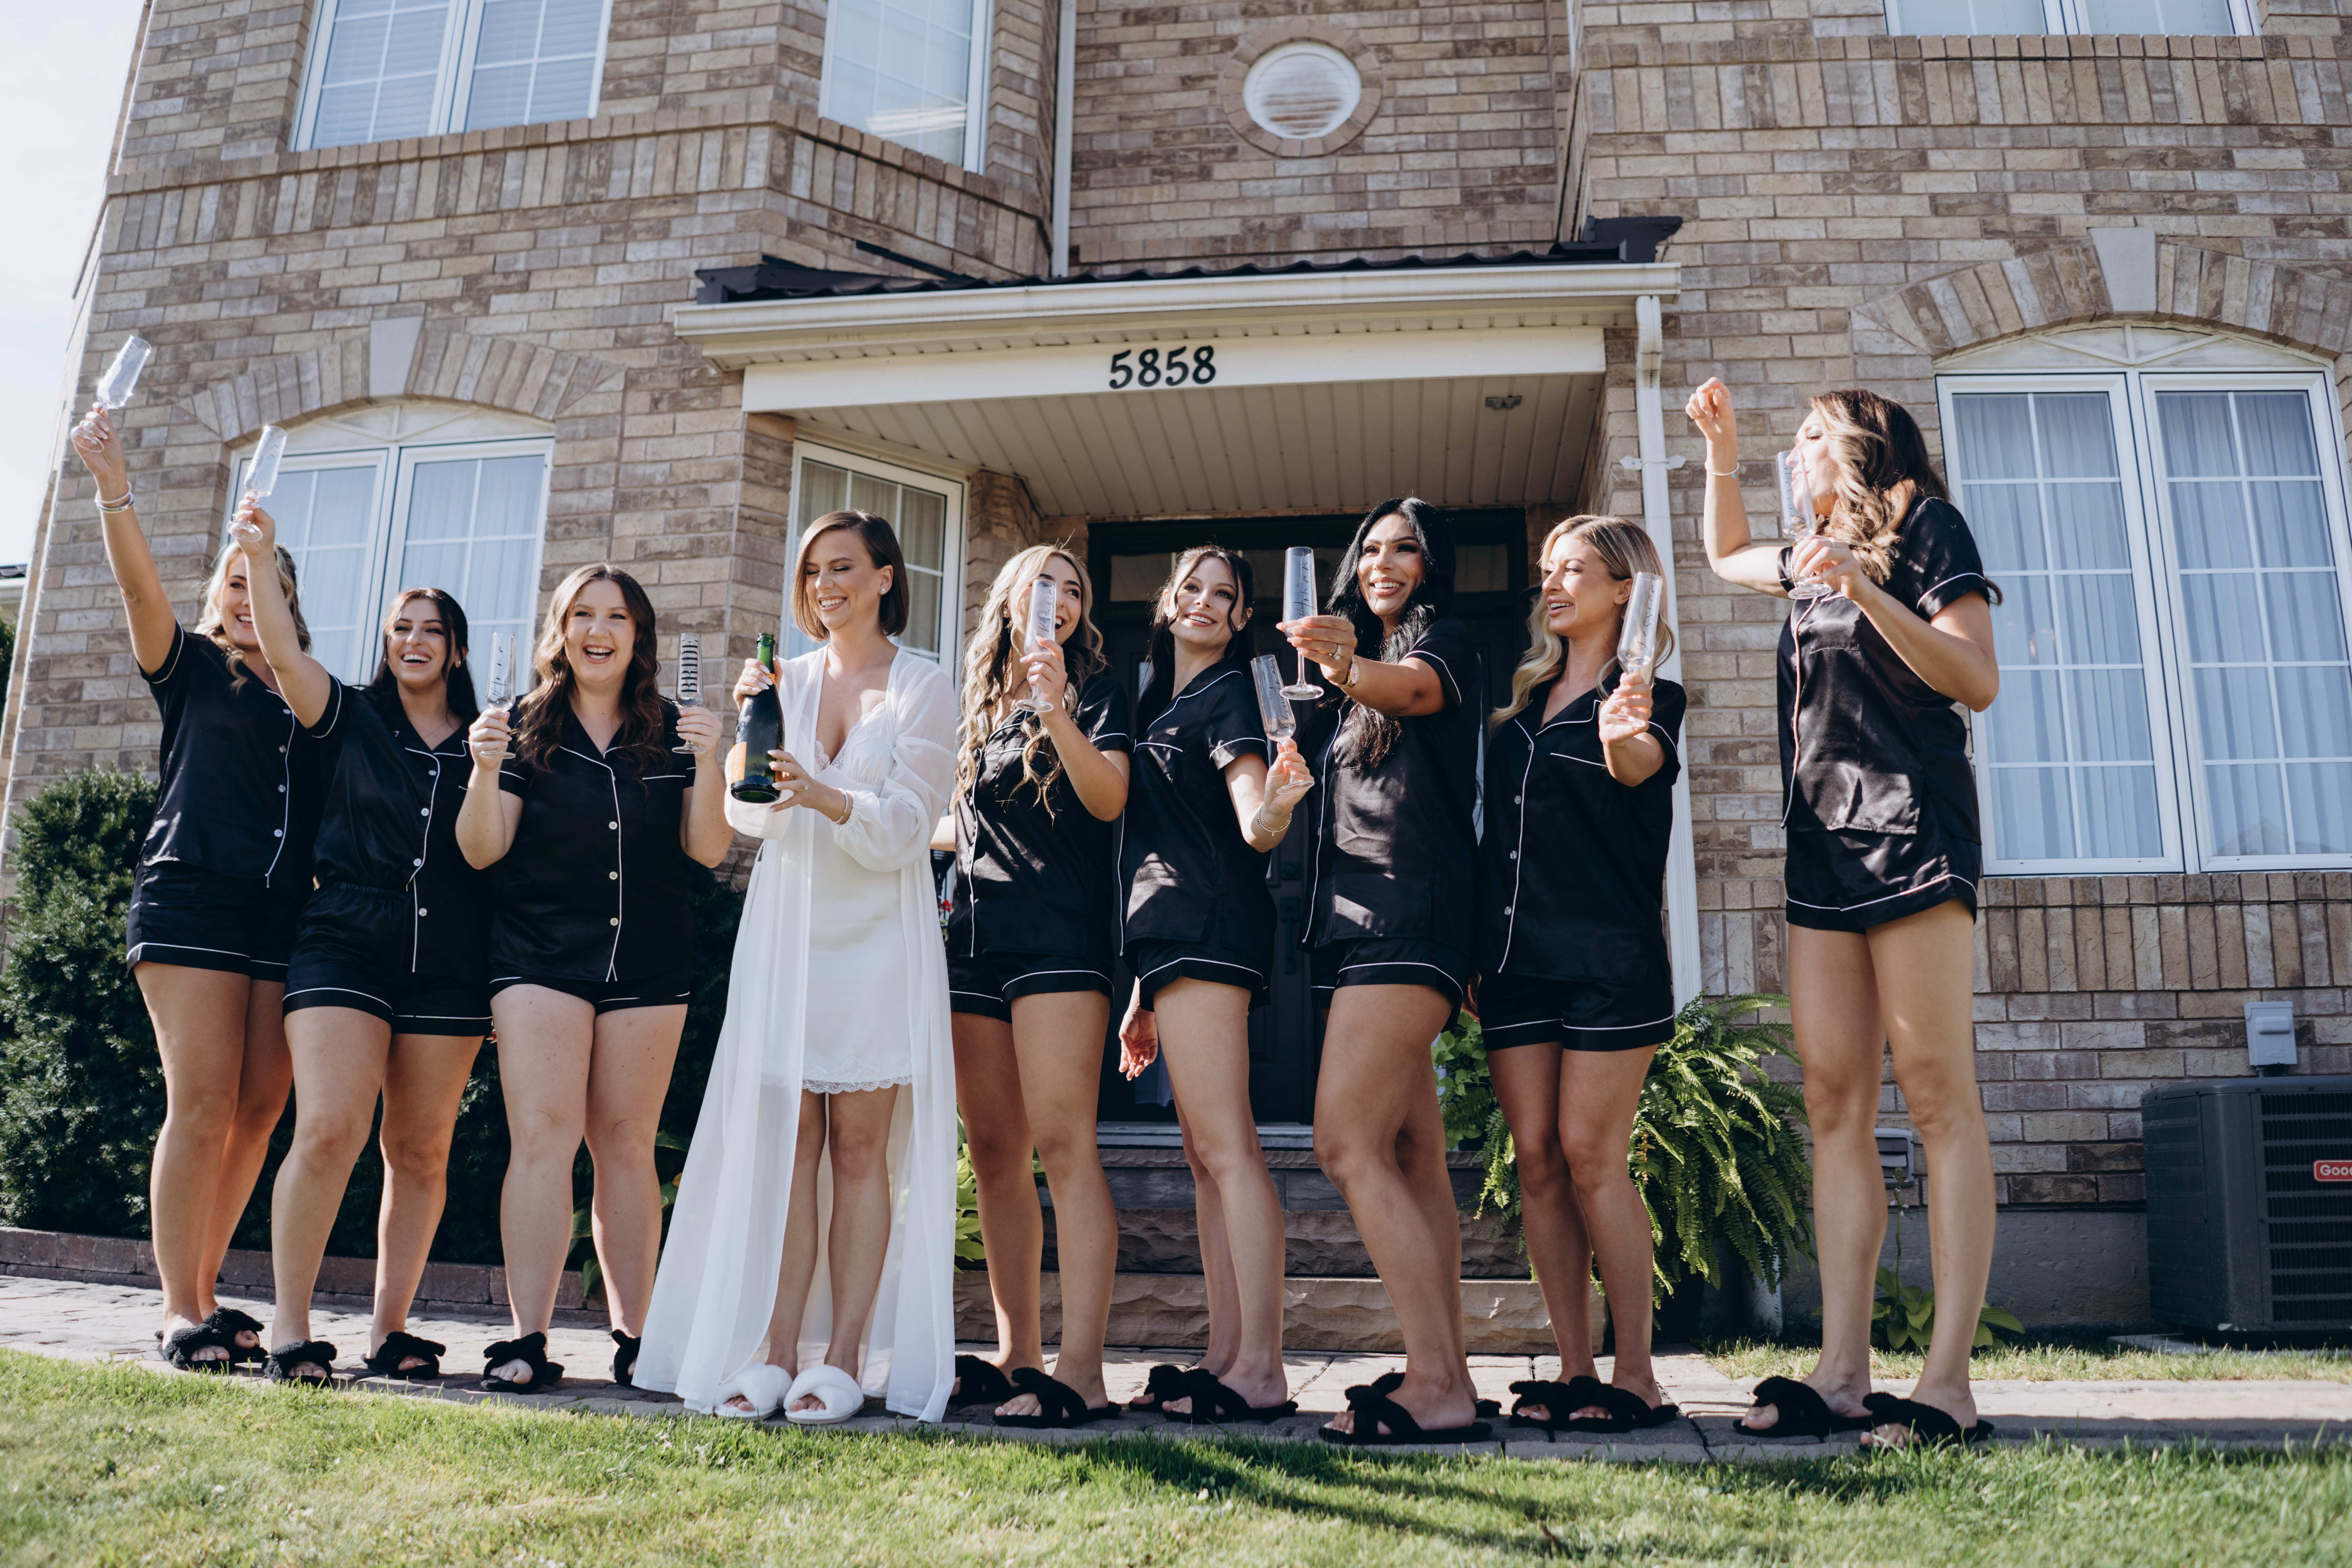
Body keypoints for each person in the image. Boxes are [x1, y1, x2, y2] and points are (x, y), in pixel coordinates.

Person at [1686, 378, 2002, 1450]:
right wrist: (1720, 456)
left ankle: (1946, 1385)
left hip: (1910, 831)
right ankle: (1842, 1373)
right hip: (1820, 845)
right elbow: (1727, 555)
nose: (1797, 451)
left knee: (1936, 1096)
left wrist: (1865, 591)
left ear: (1861, 446)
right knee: (1831, 1101)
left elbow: (1973, 677)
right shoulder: (1811, 552)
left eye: (1810, 435)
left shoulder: (1925, 527)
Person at [637, 511, 959, 1423]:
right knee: (788, 1149)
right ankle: (775, 1349)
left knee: (859, 1149)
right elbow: (750, 819)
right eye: (813, 570)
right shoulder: (786, 677)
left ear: (886, 577)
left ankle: (846, 1355)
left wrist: (819, 790)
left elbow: (907, 829)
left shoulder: (925, 684)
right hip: (789, 930)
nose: (825, 585)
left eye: (844, 567)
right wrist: (747, 735)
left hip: (879, 937)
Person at [69, 404, 332, 1372]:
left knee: (260, 1104)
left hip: (282, 913)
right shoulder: (188, 664)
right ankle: (179, 1308)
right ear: (217, 596)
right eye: (233, 581)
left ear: (286, 601)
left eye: (263, 584)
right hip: (191, 898)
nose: (245, 596)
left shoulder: (311, 693)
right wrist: (115, 487)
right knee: (205, 1097)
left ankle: (209, 1287)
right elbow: (140, 587)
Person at [455, 564, 730, 1393]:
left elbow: (707, 850)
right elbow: (481, 850)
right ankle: (526, 1338)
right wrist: (481, 767)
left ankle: (638, 1338)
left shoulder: (675, 729)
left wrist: (712, 761)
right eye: (583, 614)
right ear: (561, 630)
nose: (598, 630)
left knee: (627, 1144)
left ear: (638, 635)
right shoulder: (519, 725)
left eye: (616, 616)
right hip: (538, 956)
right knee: (543, 1135)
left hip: (647, 958)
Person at [243, 534, 492, 1385]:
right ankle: (291, 1328)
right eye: (399, 628)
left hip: (450, 952)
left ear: (457, 650)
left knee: (420, 1150)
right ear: (385, 644)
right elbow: (283, 652)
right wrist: (259, 559)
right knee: (328, 1128)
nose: (413, 640)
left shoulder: (488, 742)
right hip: (344, 936)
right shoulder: (347, 714)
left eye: (431, 629)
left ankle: (390, 1330)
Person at [1281, 497, 1489, 1445]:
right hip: (1357, 926)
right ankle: (1442, 1369)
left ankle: (1437, 1382)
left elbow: (1407, 692)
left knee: (1343, 1142)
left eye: (1405, 549)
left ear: (1430, 566)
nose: (1384, 562)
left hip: (1411, 913)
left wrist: (1341, 667)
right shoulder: (1344, 684)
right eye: (1370, 549)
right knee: (1409, 1154)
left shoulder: (1443, 644)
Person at [1475, 516, 1687, 1434]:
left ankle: (1635, 1374)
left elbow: (1639, 766)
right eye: (1547, 570)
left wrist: (1618, 734)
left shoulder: (1647, 696)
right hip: (1514, 962)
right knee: (1535, 1160)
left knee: (1592, 1153)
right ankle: (1571, 1366)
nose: (1552, 584)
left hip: (1607, 961)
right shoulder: (1521, 701)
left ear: (1623, 589)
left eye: (1573, 570)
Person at [928, 546, 1132, 1426]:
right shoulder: (977, 701)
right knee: (994, 1153)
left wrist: (1055, 711)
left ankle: (1081, 1372)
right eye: (1043, 582)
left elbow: (1108, 797)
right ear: (1010, 599)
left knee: (1063, 1144)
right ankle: (1018, 1354)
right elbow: (955, 825)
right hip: (973, 943)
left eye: (1074, 588)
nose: (1060, 597)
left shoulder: (1096, 689)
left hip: (1057, 937)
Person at [1113, 546, 1315, 1424]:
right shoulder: (1159, 700)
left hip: (1209, 927)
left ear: (1241, 617)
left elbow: (1252, 823)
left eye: (1222, 594)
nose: (1203, 601)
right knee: (1202, 1157)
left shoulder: (1231, 693)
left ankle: (1261, 1368)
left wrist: (1277, 805)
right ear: (1166, 601)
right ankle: (1222, 1353)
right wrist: (1141, 991)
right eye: (1190, 587)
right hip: (1167, 940)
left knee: (1228, 1149)